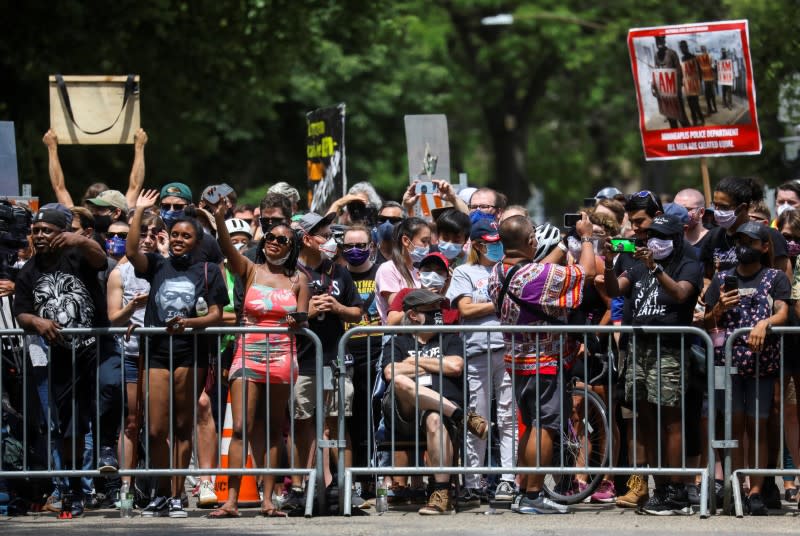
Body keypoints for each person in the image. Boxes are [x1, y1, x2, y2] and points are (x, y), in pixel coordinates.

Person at [14, 206, 123, 517]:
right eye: (36, 230)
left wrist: (78, 240)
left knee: (111, 384)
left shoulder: (77, 256)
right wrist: (36, 321)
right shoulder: (28, 271)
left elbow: (100, 258)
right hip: (62, 356)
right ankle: (74, 491)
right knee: (70, 429)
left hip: (98, 345)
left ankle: (106, 445)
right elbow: (21, 311)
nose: (40, 235)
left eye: (47, 230)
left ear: (61, 232)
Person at [125, 189, 228, 518]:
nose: (180, 239)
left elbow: (216, 315)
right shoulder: (157, 265)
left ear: (196, 242)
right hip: (156, 353)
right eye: (175, 235)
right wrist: (139, 213)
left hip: (190, 354)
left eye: (186, 236)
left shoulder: (208, 271)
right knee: (155, 429)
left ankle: (176, 496)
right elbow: (130, 252)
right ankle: (159, 491)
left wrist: (188, 323)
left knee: (183, 427)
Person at [487, 213, 596, 514]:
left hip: (516, 361)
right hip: (544, 361)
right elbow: (585, 272)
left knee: (532, 426)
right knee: (546, 425)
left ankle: (525, 491)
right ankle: (533, 495)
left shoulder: (497, 273)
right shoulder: (536, 276)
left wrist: (561, 246)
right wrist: (586, 238)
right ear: (531, 241)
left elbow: (539, 269)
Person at [209, 203, 309, 518]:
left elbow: (303, 318)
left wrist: (298, 321)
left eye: (282, 239)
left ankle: (268, 500)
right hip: (247, 353)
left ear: (291, 248)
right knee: (240, 427)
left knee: (272, 429)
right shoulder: (250, 270)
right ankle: (231, 500)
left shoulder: (298, 279)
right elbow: (226, 247)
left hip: (281, 355)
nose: (274, 242)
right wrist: (219, 220)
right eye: (270, 236)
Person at [604, 214, 703, 515]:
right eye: (650, 235)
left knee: (670, 420)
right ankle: (659, 487)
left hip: (669, 349)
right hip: (640, 348)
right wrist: (609, 263)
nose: (653, 241)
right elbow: (614, 290)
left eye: (660, 236)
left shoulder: (688, 264)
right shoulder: (635, 265)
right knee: (646, 418)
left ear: (674, 238)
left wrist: (655, 267)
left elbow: (682, 294)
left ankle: (675, 490)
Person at [704, 221, 791, 516]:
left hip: (761, 365)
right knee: (735, 428)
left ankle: (756, 491)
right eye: (739, 241)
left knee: (758, 428)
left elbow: (783, 310)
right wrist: (718, 309)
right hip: (727, 364)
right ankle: (737, 485)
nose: (744, 247)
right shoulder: (722, 278)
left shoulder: (775, 277)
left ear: (764, 247)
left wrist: (765, 323)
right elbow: (706, 320)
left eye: (750, 242)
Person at [381, 289, 488, 515]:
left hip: (441, 413)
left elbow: (456, 366)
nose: (438, 315)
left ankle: (440, 495)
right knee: (400, 380)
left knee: (435, 417)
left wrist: (416, 361)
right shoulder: (398, 342)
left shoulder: (449, 337)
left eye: (438, 310)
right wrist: (436, 363)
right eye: (431, 311)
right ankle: (463, 416)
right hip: (406, 414)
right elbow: (391, 372)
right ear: (413, 315)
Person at [285, 212, 363, 512]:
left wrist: (338, 307)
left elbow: (357, 313)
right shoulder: (291, 273)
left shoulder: (339, 271)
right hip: (301, 359)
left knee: (338, 423)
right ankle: (302, 485)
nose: (331, 240)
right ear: (306, 238)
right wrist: (308, 312)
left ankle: (343, 487)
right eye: (324, 234)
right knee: (302, 422)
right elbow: (282, 317)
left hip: (336, 358)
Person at [446, 219, 517, 504]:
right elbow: (465, 308)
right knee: (478, 417)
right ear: (476, 245)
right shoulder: (464, 271)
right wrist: (500, 302)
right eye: (490, 243)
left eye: (499, 241)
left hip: (508, 348)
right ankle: (474, 481)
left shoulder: (508, 269)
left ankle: (508, 478)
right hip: (477, 351)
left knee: (508, 415)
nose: (496, 247)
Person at [106, 212, 163, 497]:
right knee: (132, 420)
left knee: (158, 423)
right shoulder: (120, 272)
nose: (148, 238)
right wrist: (133, 306)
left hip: (162, 355)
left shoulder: (166, 267)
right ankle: (126, 486)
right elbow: (114, 318)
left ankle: (160, 486)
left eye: (154, 233)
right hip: (131, 353)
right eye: (143, 232)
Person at [701, 177, 791, 281]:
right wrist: (708, 288)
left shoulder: (771, 236)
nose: (717, 211)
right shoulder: (712, 237)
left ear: (742, 207)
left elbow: (785, 281)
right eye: (714, 205)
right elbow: (706, 277)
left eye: (724, 207)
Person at [42, 128, 147, 211]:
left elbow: (59, 187)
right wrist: (139, 147)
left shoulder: (77, 220)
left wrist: (52, 148)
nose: (97, 209)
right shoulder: (120, 218)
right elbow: (135, 186)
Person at [375, 217, 431, 324]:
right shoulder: (388, 269)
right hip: (396, 337)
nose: (427, 247)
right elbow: (396, 306)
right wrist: (426, 297)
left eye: (429, 242)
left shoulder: (417, 271)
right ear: (406, 240)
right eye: (424, 241)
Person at [651, 36, 690, 128]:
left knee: (681, 116)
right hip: (664, 93)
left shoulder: (672, 53)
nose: (659, 42)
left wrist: (677, 89)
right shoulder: (656, 55)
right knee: (671, 118)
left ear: (664, 40)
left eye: (660, 40)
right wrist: (654, 85)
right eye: (657, 40)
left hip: (674, 91)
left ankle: (689, 137)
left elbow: (679, 71)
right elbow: (657, 72)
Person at [673, 188, 710, 254]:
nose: (680, 213)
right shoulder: (670, 241)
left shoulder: (713, 240)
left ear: (701, 212)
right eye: (676, 209)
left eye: (687, 209)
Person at [679, 40, 704, 126]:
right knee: (690, 105)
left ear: (686, 47)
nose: (682, 49)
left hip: (694, 85)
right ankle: (695, 122)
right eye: (681, 47)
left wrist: (698, 82)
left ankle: (701, 119)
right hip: (687, 86)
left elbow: (699, 71)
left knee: (696, 104)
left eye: (683, 47)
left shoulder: (694, 57)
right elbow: (682, 72)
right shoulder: (682, 59)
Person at [697, 45, 718, 115]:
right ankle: (711, 109)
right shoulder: (702, 57)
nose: (703, 50)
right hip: (706, 79)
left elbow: (713, 67)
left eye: (703, 49)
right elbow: (699, 68)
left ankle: (713, 108)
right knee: (709, 95)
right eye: (702, 49)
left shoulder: (708, 57)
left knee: (710, 95)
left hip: (709, 79)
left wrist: (714, 78)